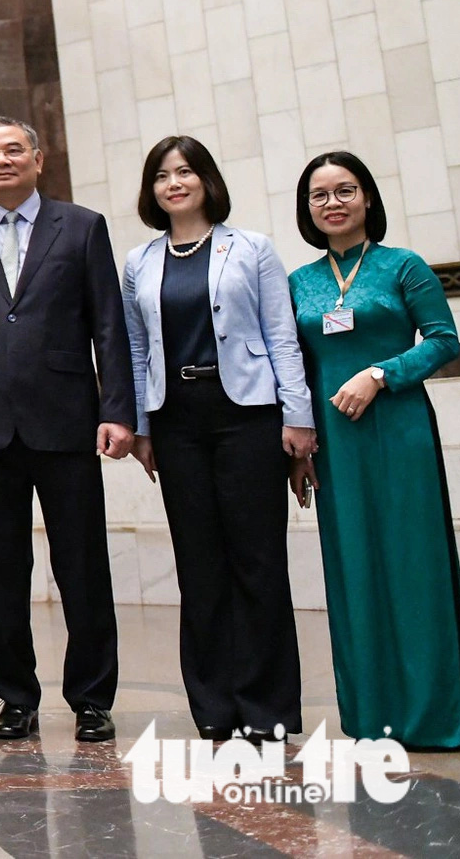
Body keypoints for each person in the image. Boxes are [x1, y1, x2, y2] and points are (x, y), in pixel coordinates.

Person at [0, 117, 135, 743]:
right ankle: (14, 697)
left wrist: (118, 410)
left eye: (13, 150)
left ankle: (92, 697)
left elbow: (109, 324)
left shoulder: (82, 226)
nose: (1, 160)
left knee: (82, 564)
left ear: (38, 159)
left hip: (67, 420)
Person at [121, 137, 313, 743]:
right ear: (151, 190)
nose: (174, 183)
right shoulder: (139, 261)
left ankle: (268, 709)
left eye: (185, 172)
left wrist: (298, 417)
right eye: (161, 175)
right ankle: (214, 707)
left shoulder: (252, 247)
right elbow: (135, 349)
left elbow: (281, 335)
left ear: (206, 179)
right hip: (176, 422)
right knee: (198, 567)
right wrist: (143, 426)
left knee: (257, 562)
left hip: (248, 417)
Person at [290, 150, 460, 750]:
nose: (332, 203)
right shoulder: (299, 283)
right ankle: (373, 718)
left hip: (400, 432)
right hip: (335, 444)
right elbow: (294, 368)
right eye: (319, 195)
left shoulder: (403, 266)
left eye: (345, 190)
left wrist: (382, 374)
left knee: (416, 566)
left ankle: (435, 717)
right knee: (354, 568)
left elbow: (445, 341)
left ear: (367, 198)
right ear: (307, 209)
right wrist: (298, 446)